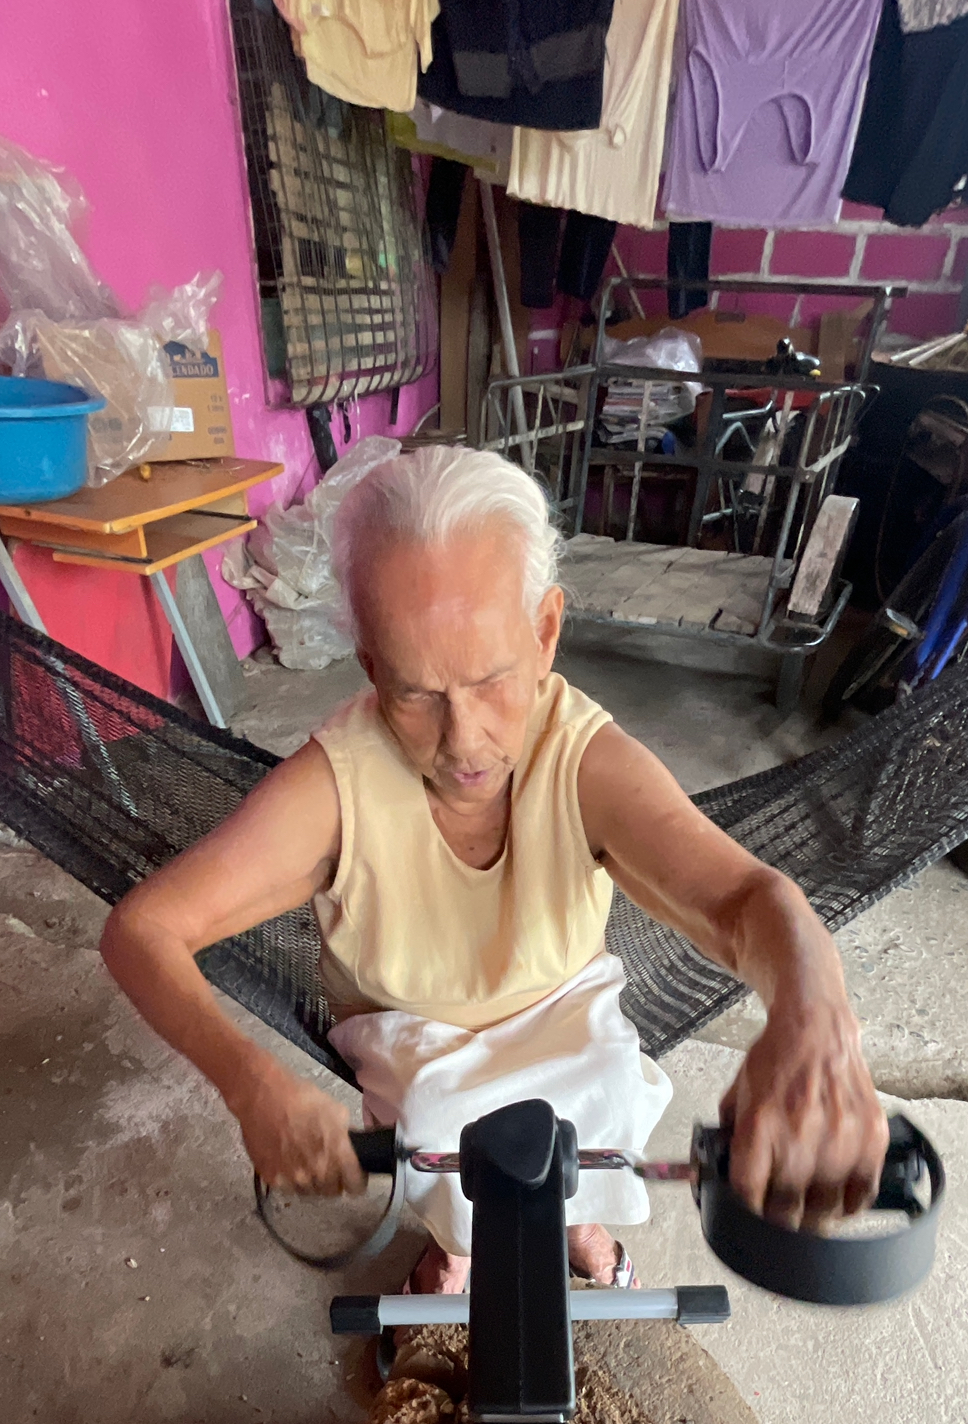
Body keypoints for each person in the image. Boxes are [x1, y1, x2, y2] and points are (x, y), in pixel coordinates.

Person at [99, 445, 889, 1294]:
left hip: (566, 1009)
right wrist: (249, 1081)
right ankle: (459, 1246)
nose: (464, 739)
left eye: (492, 680)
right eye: (417, 693)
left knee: (608, 1093)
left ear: (545, 633)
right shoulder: (336, 787)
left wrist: (813, 1012)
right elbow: (143, 930)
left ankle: (574, 1215)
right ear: (371, 667)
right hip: (415, 1039)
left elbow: (743, 898)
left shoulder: (581, 759)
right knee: (440, 1131)